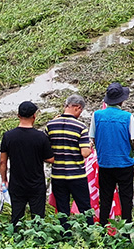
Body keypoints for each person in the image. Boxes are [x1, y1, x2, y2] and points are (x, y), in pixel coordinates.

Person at [90, 82, 134, 224]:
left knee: (105, 198)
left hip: (105, 164)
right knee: (126, 198)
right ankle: (126, 231)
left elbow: (91, 138)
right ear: (122, 100)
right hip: (124, 164)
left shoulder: (96, 115)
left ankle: (104, 229)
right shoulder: (127, 117)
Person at [0, 101, 54, 225]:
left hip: (17, 184)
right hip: (36, 184)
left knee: (17, 217)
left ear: (18, 115)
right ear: (34, 116)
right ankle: (37, 241)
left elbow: (3, 162)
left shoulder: (8, 136)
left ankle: (17, 240)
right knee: (38, 218)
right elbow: (50, 159)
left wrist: (4, 180)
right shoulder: (40, 137)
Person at [45, 95, 93, 228]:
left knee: (62, 210)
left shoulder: (50, 125)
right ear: (78, 107)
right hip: (77, 175)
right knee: (85, 208)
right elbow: (85, 153)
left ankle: (65, 235)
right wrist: (89, 145)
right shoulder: (80, 127)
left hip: (58, 175)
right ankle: (91, 233)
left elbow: (45, 150)